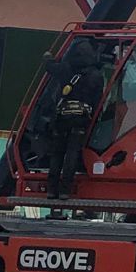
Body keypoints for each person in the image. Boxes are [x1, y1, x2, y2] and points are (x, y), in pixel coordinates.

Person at [45, 38, 106, 199]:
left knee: (57, 153)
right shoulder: (96, 75)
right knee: (72, 154)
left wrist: (48, 57)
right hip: (80, 119)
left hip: (62, 118)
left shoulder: (65, 69)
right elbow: (98, 101)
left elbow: (49, 67)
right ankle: (65, 190)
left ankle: (51, 190)